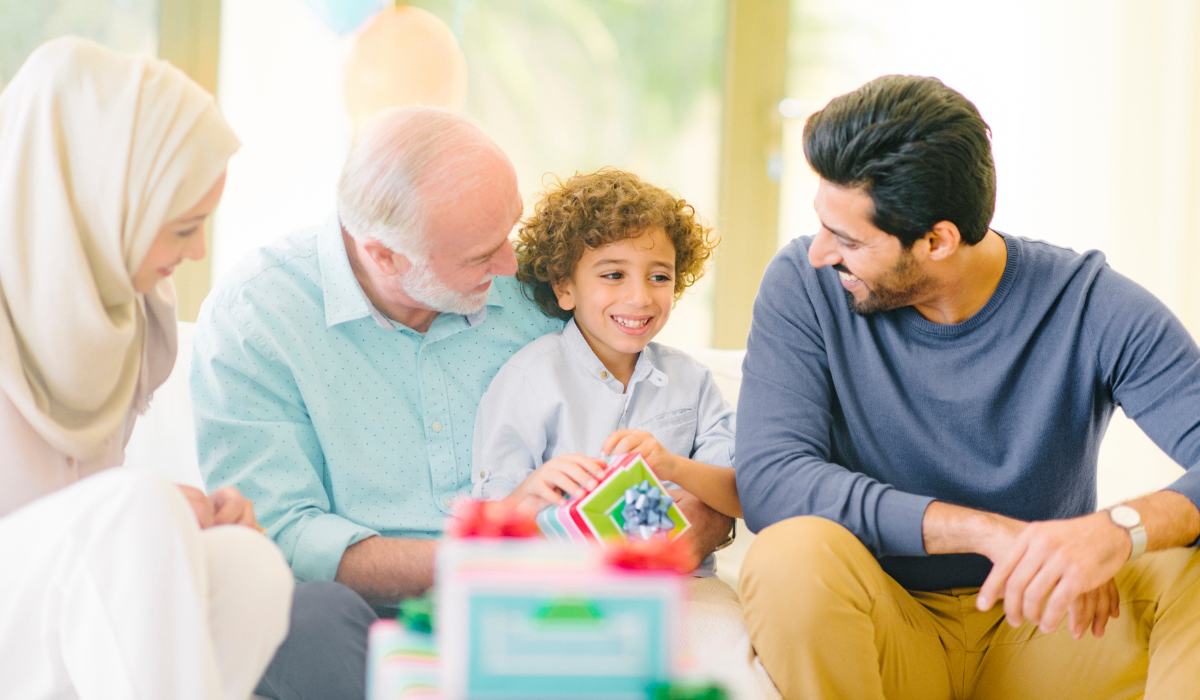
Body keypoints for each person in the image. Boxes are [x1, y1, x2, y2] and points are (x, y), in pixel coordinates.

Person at [191, 109, 738, 700]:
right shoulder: (258, 318)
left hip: (541, 593)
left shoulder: (534, 293)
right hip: (362, 613)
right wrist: (493, 548)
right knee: (303, 618)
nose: (511, 266)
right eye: (481, 256)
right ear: (384, 255)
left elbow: (656, 421)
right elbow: (286, 534)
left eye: (509, 233)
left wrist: (667, 542)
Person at [735, 74, 1200, 699]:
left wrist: (1119, 528)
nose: (821, 252)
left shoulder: (1089, 302)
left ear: (937, 241)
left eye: (847, 240)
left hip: (1051, 631)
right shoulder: (803, 286)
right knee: (789, 555)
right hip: (884, 623)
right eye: (822, 225)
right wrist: (985, 530)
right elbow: (771, 480)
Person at [0, 37, 293, 700]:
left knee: (248, 566)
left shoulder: (131, 313)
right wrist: (136, 511)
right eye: (184, 226)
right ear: (103, 198)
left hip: (52, 594)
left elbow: (86, 509)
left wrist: (171, 511)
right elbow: (89, 519)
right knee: (132, 510)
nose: (197, 253)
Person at [473, 168, 741, 526]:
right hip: (565, 574)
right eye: (614, 275)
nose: (640, 297)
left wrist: (671, 465)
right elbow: (490, 520)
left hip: (678, 574)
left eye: (659, 277)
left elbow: (743, 498)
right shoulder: (530, 377)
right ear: (564, 286)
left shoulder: (691, 379)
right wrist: (533, 489)